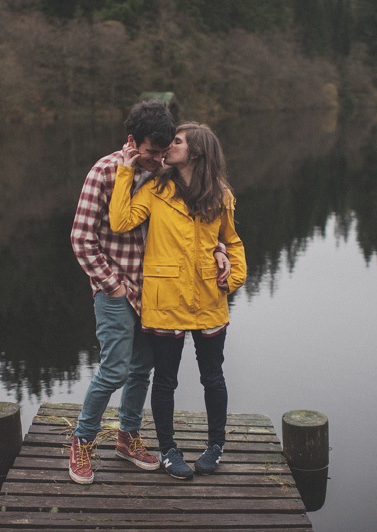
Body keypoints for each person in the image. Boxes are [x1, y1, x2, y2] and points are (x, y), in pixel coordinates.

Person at [70, 103, 230, 484]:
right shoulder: (105, 172)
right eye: (153, 152)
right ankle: (82, 441)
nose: (159, 159)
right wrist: (111, 284)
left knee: (143, 369)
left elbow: (195, 227)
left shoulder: (161, 174)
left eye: (164, 152)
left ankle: (127, 437)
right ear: (132, 142)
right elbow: (81, 238)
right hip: (115, 288)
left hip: (152, 294)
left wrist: (219, 249)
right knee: (115, 370)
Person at [109, 122, 246, 480]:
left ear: (196, 152)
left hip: (209, 298)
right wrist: (125, 172)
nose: (168, 145)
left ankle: (215, 446)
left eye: (177, 142)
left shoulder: (220, 195)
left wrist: (232, 277)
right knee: (165, 380)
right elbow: (121, 221)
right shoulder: (155, 188)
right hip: (165, 299)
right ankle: (169, 450)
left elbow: (231, 241)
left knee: (212, 377)